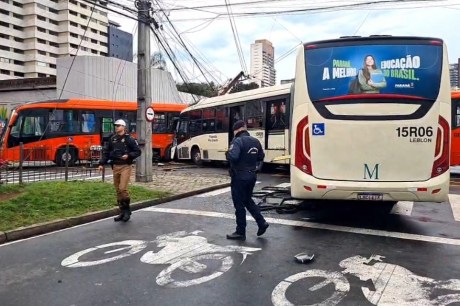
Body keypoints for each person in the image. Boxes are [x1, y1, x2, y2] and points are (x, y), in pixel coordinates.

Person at [225, 120, 269, 241]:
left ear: (237, 130)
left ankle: (240, 232)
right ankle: (261, 222)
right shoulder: (255, 141)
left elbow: (233, 157)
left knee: (239, 204)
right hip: (252, 176)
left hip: (239, 177)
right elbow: (261, 157)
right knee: (247, 200)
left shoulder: (237, 141)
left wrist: (227, 153)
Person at [98, 119, 141, 222]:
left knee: (122, 188)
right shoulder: (112, 138)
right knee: (118, 190)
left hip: (125, 166)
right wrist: (101, 163)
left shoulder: (129, 139)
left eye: (118, 126)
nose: (116, 127)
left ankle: (127, 211)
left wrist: (129, 155)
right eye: (115, 126)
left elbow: (137, 151)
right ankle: (122, 211)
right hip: (115, 166)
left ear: (123, 127)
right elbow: (106, 152)